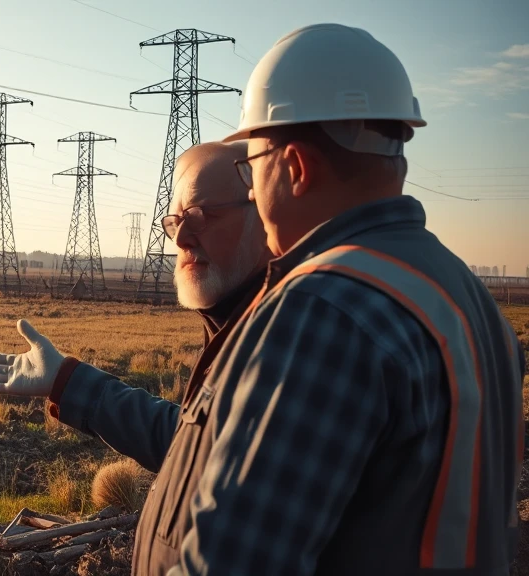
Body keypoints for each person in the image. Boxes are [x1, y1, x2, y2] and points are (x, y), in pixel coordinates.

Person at [167, 23, 521, 575]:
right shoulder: (468, 297)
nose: (254, 191)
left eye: (251, 169)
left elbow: (233, 561)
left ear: (295, 168)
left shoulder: (324, 309)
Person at [0, 140, 271, 535]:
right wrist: (65, 380)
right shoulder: (232, 320)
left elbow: (227, 469)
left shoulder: (288, 335)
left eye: (199, 216)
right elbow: (194, 442)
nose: (180, 240)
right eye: (174, 223)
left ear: (267, 212)